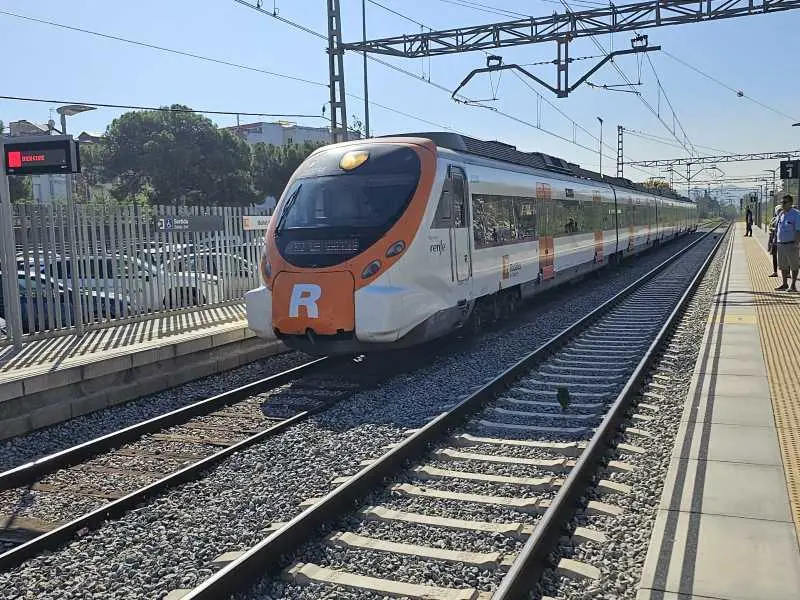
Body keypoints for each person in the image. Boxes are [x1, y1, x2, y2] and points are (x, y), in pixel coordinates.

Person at [774, 194, 800, 292]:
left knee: (794, 265)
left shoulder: (796, 214)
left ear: (790, 203)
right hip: (781, 243)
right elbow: (778, 228)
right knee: (782, 265)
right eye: (781, 202)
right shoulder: (781, 214)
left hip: (791, 244)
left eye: (784, 202)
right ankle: (784, 284)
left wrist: (797, 243)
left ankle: (793, 285)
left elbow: (798, 230)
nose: (782, 204)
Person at [768, 205, 782, 277]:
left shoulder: (783, 218)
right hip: (774, 240)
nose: (779, 212)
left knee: (784, 257)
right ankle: (775, 271)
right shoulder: (774, 219)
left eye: (780, 210)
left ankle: (787, 273)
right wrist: (773, 229)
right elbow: (770, 227)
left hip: (782, 240)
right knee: (774, 255)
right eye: (778, 210)